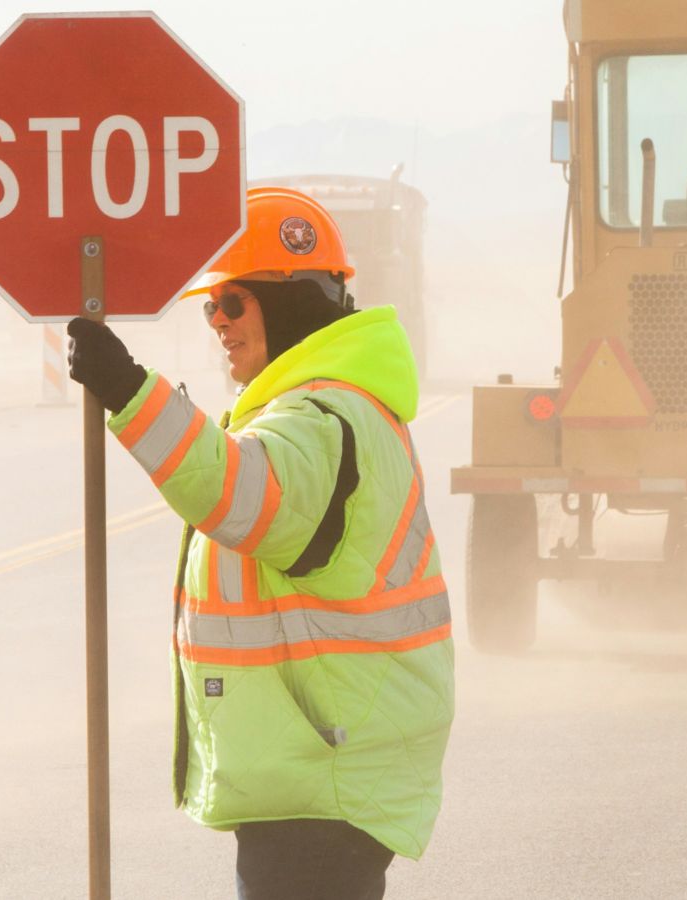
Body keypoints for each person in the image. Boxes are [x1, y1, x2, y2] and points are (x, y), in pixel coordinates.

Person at [65, 186, 454, 900]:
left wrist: (129, 391)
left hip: (321, 773)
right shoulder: (324, 406)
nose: (217, 321)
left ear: (292, 298)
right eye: (211, 306)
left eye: (233, 302)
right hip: (319, 765)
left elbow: (247, 495)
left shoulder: (321, 414)